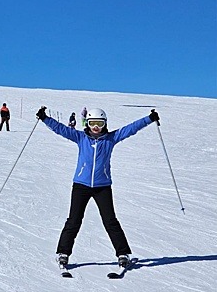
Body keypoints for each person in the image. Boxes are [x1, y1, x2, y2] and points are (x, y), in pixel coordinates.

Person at [35, 106, 160, 268]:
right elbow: (61, 129)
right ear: (87, 123)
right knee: (74, 220)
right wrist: (45, 118)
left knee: (110, 221)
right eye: (93, 123)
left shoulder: (111, 138)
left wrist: (149, 119)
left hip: (103, 186)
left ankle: (123, 253)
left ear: (105, 124)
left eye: (99, 123)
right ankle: (63, 253)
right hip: (81, 185)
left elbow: (131, 129)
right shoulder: (80, 138)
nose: (96, 127)